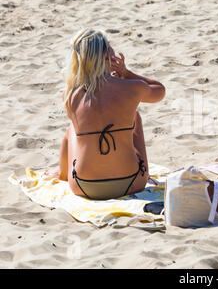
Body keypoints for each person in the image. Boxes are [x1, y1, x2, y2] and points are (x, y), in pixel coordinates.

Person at [46, 29, 165, 200]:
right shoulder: (131, 88)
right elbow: (160, 91)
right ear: (108, 55)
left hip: (83, 185)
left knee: (73, 128)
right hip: (131, 183)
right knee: (135, 117)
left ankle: (62, 172)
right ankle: (137, 169)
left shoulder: (71, 95)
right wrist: (127, 74)